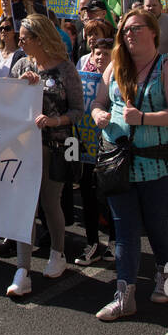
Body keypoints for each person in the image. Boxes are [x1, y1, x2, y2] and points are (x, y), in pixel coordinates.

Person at [90, 8, 168, 320]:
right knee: (125, 228)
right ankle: (125, 295)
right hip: (118, 163)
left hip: (154, 164)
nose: (130, 34)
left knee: (158, 224)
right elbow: (98, 102)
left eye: (136, 28)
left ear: (153, 32)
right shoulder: (115, 66)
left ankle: (167, 274)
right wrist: (98, 115)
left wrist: (144, 118)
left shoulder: (167, 67)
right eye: (126, 29)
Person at [5, 15, 84, 297]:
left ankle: (57, 252)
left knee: (50, 202)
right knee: (25, 206)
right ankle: (22, 269)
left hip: (57, 146)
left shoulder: (65, 69)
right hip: (25, 147)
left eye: (25, 38)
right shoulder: (21, 66)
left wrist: (55, 121)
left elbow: (78, 110)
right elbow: (6, 102)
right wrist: (21, 87)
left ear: (39, 39)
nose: (19, 41)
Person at [72, 24, 116, 265]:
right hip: (87, 146)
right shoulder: (82, 69)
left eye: (106, 53)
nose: (100, 57)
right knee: (88, 196)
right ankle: (92, 243)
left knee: (109, 197)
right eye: (97, 53)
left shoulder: (119, 79)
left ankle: (114, 241)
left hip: (112, 149)